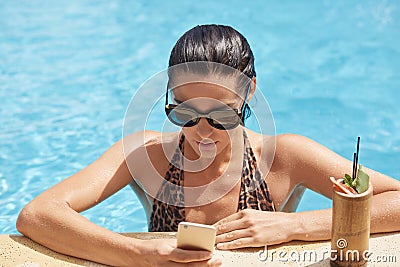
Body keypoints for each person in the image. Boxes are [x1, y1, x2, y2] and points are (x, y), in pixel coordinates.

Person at [17, 24, 400, 267]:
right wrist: (137, 254)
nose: (202, 131)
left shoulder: (286, 156)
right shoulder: (144, 155)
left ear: (249, 92)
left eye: (222, 115)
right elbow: (38, 215)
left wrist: (294, 225)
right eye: (184, 113)